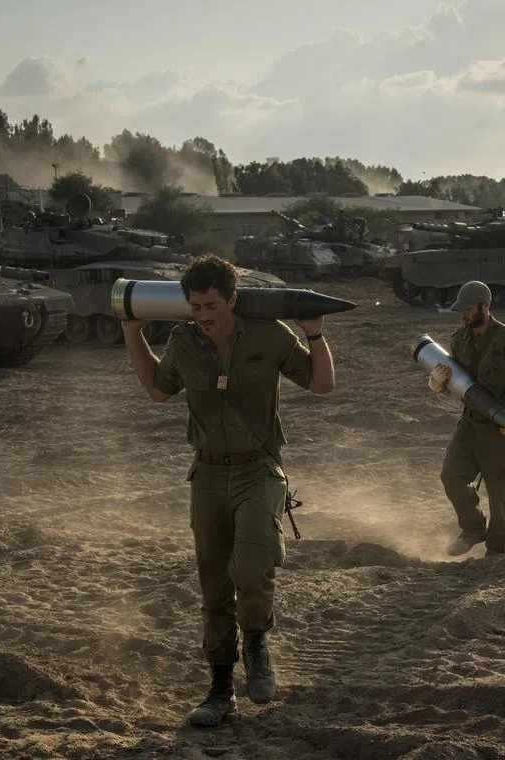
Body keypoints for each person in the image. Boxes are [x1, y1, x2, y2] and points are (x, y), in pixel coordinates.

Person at [120, 253, 336, 728]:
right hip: (209, 475)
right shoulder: (183, 341)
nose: (202, 315)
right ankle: (220, 690)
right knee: (214, 586)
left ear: (233, 299)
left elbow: (322, 384)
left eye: (210, 305)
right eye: (194, 306)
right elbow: (159, 390)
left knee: (254, 564)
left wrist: (315, 335)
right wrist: (133, 333)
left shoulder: (269, 334)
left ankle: (256, 640)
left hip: (260, 470)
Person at [428, 280, 505, 558]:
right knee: (451, 475)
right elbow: (458, 382)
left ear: (485, 306)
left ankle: (497, 551)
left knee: (499, 495)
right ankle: (473, 528)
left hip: (502, 428)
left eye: (468, 309)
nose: (463, 315)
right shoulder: (458, 339)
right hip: (471, 423)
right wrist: (437, 384)